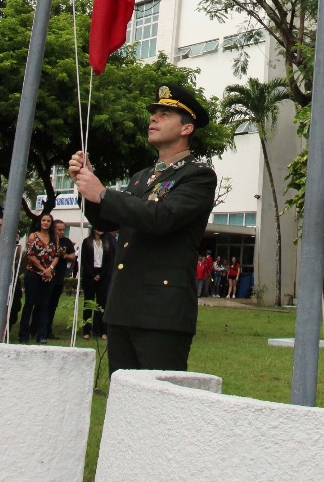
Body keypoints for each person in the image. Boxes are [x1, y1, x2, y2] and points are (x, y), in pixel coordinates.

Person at [68, 83, 217, 374]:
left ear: (186, 129)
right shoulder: (141, 178)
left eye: (164, 114)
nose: (153, 119)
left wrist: (103, 194)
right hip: (123, 305)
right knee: (124, 400)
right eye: (153, 114)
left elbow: (161, 217)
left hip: (161, 311)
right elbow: (107, 222)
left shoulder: (198, 176)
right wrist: (87, 186)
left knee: (159, 403)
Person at [19, 212, 61, 344]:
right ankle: (24, 335)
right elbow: (30, 255)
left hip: (49, 275)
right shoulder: (33, 236)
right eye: (43, 220)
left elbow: (57, 255)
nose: (45, 223)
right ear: (40, 222)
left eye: (48, 221)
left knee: (45, 304)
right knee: (30, 303)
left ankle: (41, 334)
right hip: (33, 273)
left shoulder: (54, 237)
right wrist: (43, 270)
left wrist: (50, 270)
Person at [80, 228, 115, 339]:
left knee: (102, 304)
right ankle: (86, 330)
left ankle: (102, 330)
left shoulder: (107, 243)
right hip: (89, 275)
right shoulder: (87, 242)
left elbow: (109, 261)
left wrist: (101, 274)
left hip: (103, 275)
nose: (100, 230)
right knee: (88, 303)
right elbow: (84, 260)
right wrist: (92, 274)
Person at [46, 219, 76, 339]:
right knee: (43, 303)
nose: (62, 232)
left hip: (59, 277)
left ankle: (48, 330)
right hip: (47, 275)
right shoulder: (48, 239)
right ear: (54, 229)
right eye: (59, 229)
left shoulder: (67, 242)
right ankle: (36, 328)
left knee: (53, 304)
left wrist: (64, 255)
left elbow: (73, 256)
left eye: (63, 229)